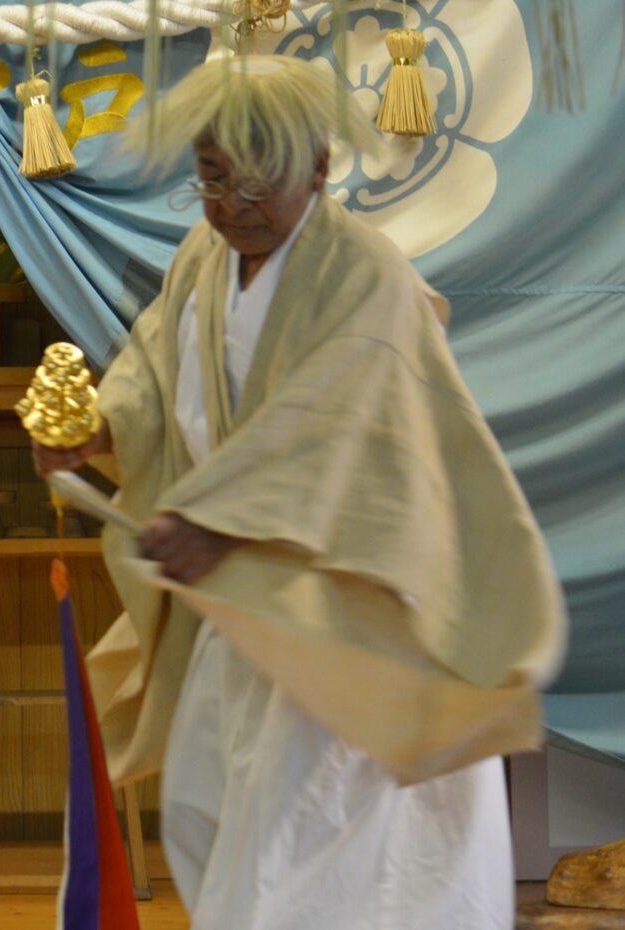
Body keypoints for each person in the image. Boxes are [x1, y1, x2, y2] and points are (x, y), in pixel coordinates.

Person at [33, 56, 566, 929]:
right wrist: (94, 429)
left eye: (259, 180)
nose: (235, 203)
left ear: (318, 168)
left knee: (322, 837)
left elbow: (336, 420)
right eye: (212, 177)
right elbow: (155, 376)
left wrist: (222, 518)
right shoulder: (203, 261)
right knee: (211, 803)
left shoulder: (366, 275)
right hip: (241, 605)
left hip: (345, 605)